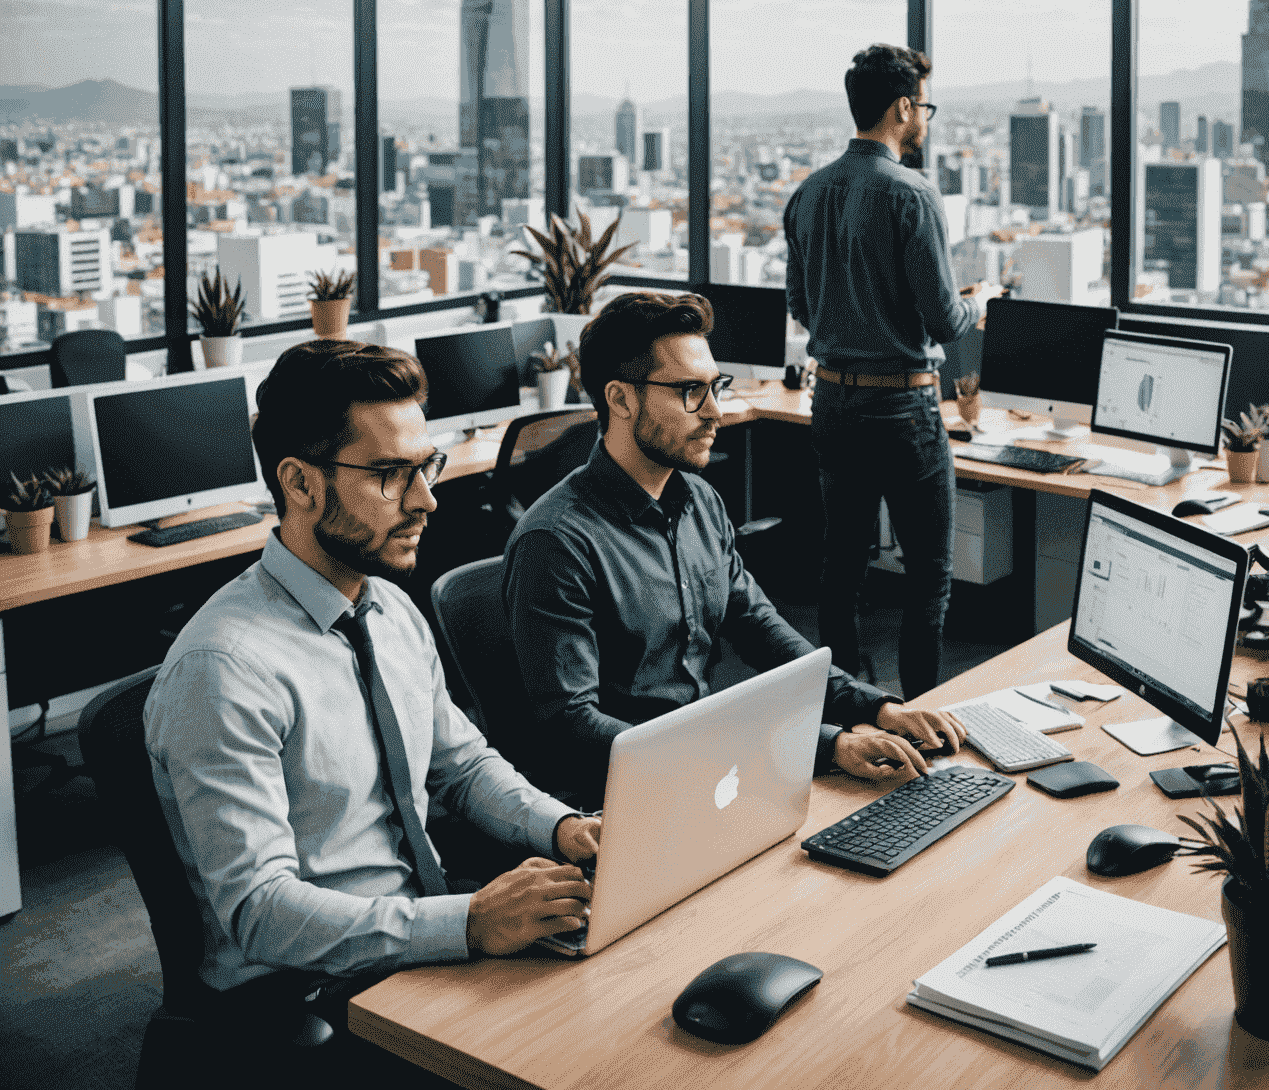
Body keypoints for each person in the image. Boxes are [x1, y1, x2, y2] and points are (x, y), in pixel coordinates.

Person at [144, 340, 601, 1060]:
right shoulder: (223, 670)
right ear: (300, 483)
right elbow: (259, 910)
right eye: (391, 474)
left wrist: (563, 827)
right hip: (301, 992)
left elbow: (461, 765)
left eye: (426, 466)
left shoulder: (387, 606)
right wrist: (467, 923)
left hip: (417, 929)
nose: (426, 499)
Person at [503, 291, 965, 812]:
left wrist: (875, 706)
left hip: (714, 771)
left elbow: (761, 629)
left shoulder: (698, 500)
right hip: (621, 802)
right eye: (690, 392)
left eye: (715, 388)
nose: (716, 412)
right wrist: (823, 745)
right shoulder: (557, 543)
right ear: (621, 399)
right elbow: (577, 727)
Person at [784, 43, 1003, 697]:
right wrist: (977, 331)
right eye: (925, 107)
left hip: (834, 407)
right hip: (903, 411)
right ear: (904, 107)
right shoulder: (913, 193)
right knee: (930, 571)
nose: (927, 120)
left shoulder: (807, 193)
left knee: (841, 568)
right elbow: (942, 316)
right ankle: (922, 713)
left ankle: (847, 712)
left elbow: (801, 308)